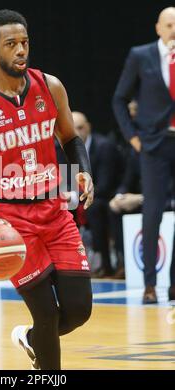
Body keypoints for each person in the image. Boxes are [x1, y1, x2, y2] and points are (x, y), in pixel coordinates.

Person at [0, 9, 94, 370]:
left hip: (54, 211)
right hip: (11, 222)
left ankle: (30, 339)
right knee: (46, 314)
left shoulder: (50, 86)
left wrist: (83, 173)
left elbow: (69, 138)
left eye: (24, 43)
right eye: (11, 44)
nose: (20, 50)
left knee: (78, 311)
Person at [113, 7, 175, 303]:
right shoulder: (142, 55)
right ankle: (150, 284)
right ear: (158, 28)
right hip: (154, 144)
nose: (174, 30)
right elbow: (119, 99)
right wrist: (133, 137)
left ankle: (174, 283)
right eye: (169, 24)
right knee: (154, 212)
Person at [71, 111, 123, 277]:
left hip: (105, 196)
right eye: (73, 128)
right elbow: (66, 182)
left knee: (94, 209)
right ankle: (70, 265)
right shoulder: (63, 149)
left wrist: (80, 196)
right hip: (80, 197)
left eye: (80, 128)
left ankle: (106, 264)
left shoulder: (104, 146)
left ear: (88, 127)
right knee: (60, 208)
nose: (77, 132)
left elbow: (105, 185)